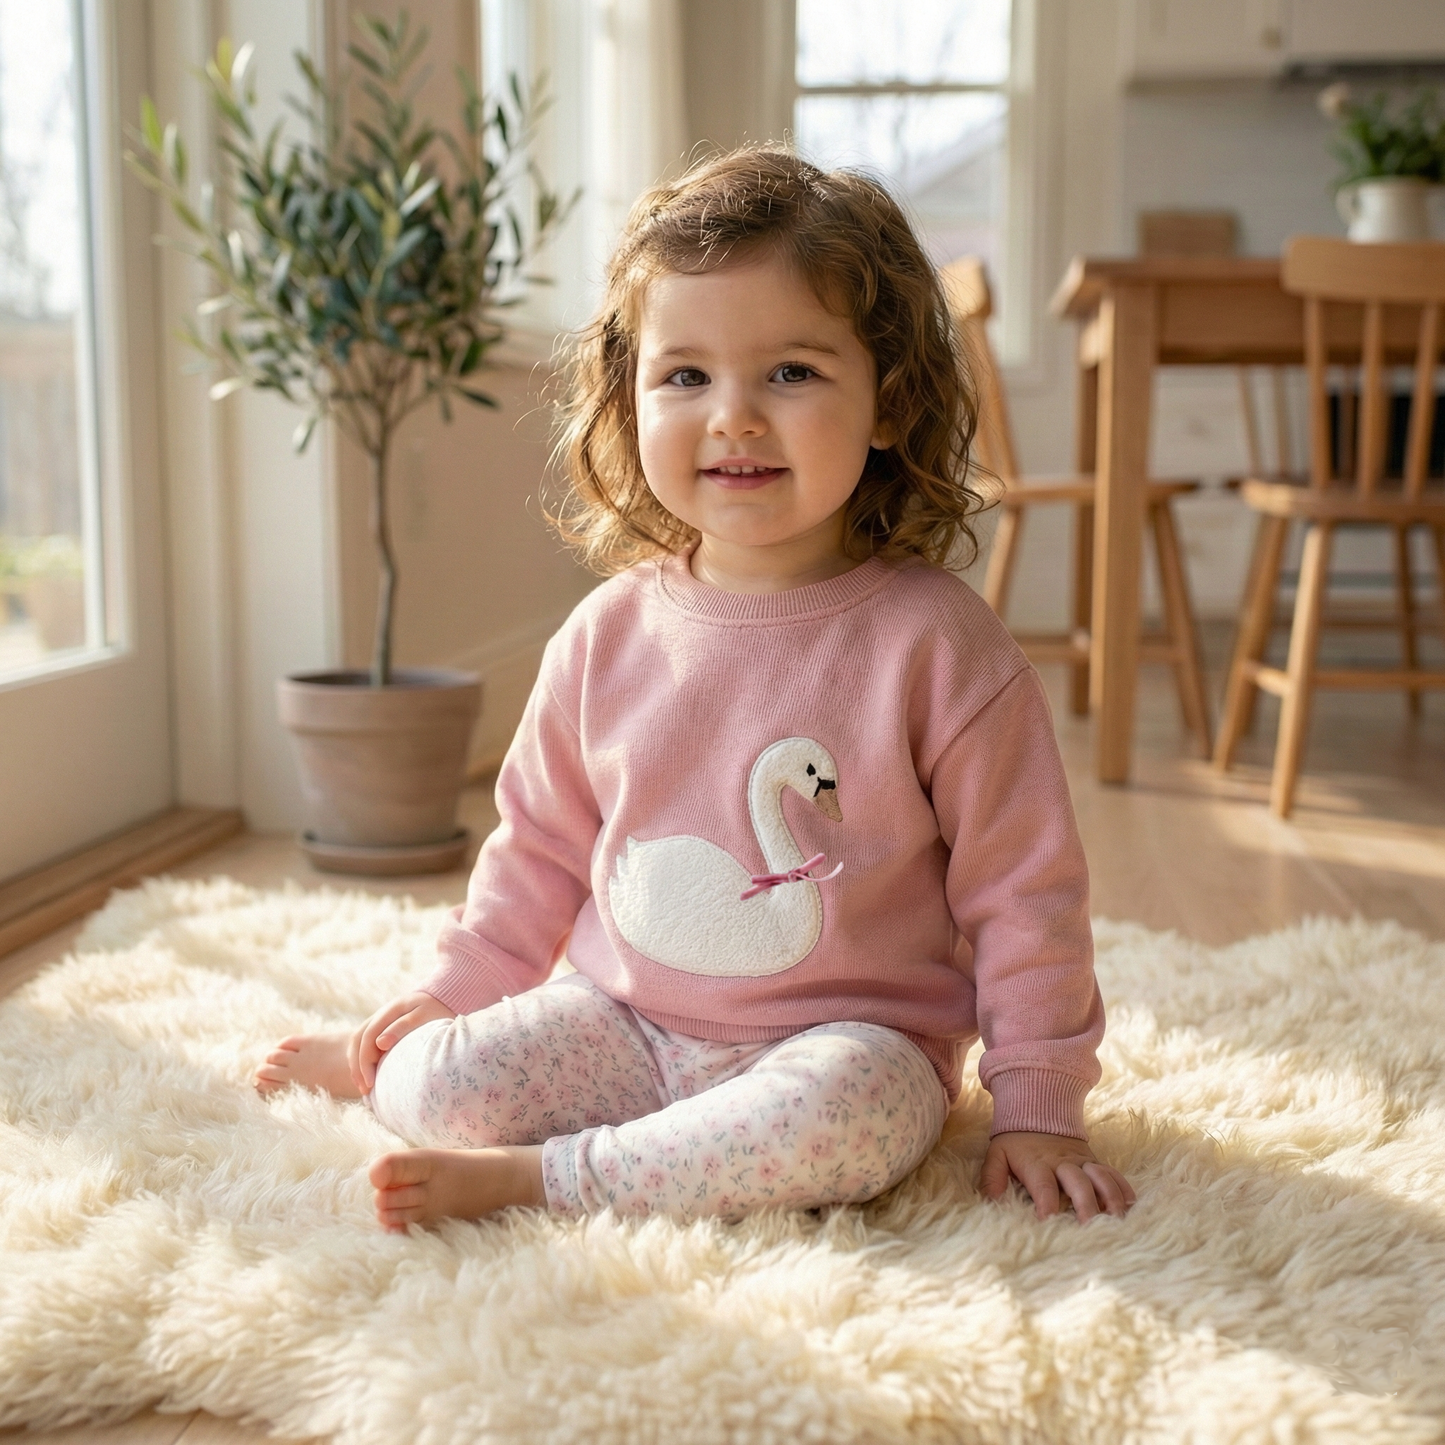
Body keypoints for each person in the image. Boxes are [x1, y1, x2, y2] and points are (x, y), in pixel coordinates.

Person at [255, 146, 1136, 1233]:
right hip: (621, 1015)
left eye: (791, 371)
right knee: (443, 1086)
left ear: (888, 404)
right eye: (686, 376)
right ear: (629, 402)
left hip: (847, 1041)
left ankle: (554, 1179)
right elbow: (534, 848)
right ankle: (377, 1063)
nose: (733, 416)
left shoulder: (941, 647)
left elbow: (1023, 890)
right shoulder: (604, 634)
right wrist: (448, 999)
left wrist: (1037, 1100)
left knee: (850, 1125)